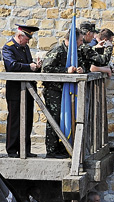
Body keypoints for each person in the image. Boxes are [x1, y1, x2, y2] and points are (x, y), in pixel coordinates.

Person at [39, 28, 84, 158]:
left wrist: (81, 69)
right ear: (72, 41)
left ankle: (62, 147)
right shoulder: (58, 51)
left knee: (64, 120)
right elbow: (46, 69)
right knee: (54, 119)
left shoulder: (75, 53)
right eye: (80, 41)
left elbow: (83, 65)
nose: (81, 43)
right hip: (54, 91)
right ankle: (52, 150)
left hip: (66, 92)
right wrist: (65, 70)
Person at [2, 25, 41, 158]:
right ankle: (12, 150)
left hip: (28, 89)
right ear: (20, 36)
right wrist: (29, 66)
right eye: (27, 38)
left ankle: (25, 148)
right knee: (15, 120)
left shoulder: (25, 48)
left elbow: (28, 65)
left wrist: (36, 66)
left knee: (28, 119)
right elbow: (11, 66)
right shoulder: (8, 47)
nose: (28, 41)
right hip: (15, 90)